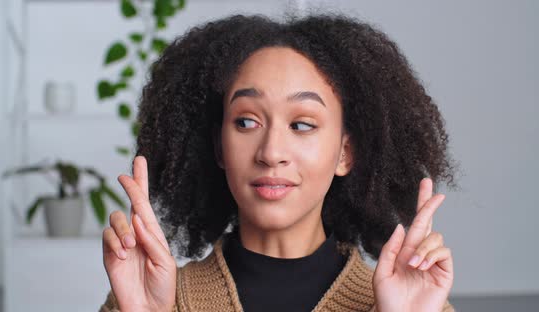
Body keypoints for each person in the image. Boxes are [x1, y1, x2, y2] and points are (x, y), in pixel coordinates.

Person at [100, 12, 458, 312]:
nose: (271, 153)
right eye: (246, 122)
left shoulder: (415, 303)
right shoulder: (151, 300)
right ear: (220, 147)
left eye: (301, 125)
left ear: (345, 153)